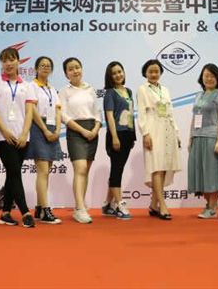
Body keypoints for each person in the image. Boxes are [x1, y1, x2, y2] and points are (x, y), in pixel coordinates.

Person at [0, 47, 36, 228]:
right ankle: (25, 212)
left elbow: (29, 112)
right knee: (15, 172)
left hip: (22, 137)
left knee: (12, 174)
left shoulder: (27, 86)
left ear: (18, 61)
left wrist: (24, 134)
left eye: (11, 59)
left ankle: (6, 212)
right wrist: (5, 131)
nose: (8, 63)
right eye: (4, 60)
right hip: (3, 137)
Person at [136, 59, 181, 220]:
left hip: (167, 129)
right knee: (156, 167)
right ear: (145, 73)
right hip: (153, 129)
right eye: (150, 71)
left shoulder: (165, 90)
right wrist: (145, 133)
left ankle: (153, 205)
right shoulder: (142, 89)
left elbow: (170, 112)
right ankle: (162, 205)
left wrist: (176, 133)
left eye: (156, 71)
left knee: (163, 168)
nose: (154, 74)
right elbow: (141, 113)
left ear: (161, 72)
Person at [59, 57, 102, 224]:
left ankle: (80, 206)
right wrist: (82, 130)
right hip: (76, 131)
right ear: (66, 74)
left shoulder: (90, 89)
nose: (75, 71)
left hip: (92, 130)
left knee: (86, 170)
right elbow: (63, 115)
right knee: (80, 168)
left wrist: (96, 128)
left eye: (77, 67)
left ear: (82, 69)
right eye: (71, 69)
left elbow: (97, 112)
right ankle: (80, 208)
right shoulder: (64, 91)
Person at [187, 64, 218, 219]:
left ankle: (212, 208)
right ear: (201, 78)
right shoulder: (198, 95)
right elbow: (194, 118)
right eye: (206, 75)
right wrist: (190, 138)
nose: (209, 78)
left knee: (211, 173)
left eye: (212, 76)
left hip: (212, 138)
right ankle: (210, 204)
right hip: (197, 138)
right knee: (200, 173)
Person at [27, 56, 63, 224]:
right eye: (42, 65)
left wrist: (57, 130)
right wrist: (44, 130)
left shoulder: (52, 89)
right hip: (38, 127)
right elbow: (32, 110)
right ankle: (45, 209)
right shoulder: (32, 86)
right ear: (36, 68)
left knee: (46, 171)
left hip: (52, 127)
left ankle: (40, 207)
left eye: (48, 66)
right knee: (42, 171)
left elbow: (58, 110)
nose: (45, 68)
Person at [102, 61, 136, 220]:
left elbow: (130, 114)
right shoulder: (110, 93)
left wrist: (133, 135)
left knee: (118, 168)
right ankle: (119, 204)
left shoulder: (128, 91)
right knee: (117, 170)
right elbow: (109, 116)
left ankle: (108, 205)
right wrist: (114, 137)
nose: (118, 75)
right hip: (116, 135)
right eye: (114, 73)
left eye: (119, 71)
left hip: (128, 134)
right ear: (110, 76)